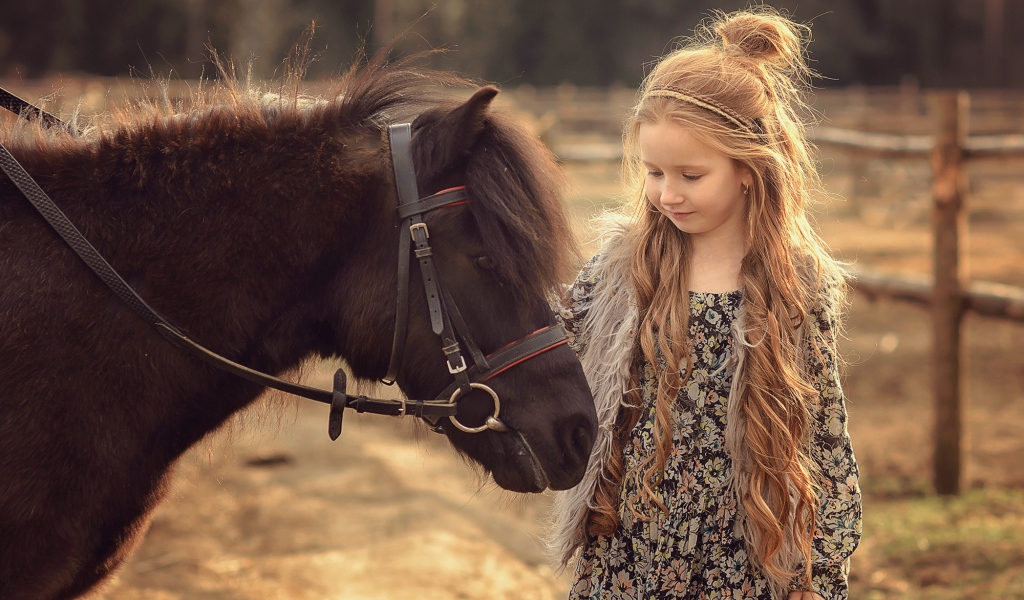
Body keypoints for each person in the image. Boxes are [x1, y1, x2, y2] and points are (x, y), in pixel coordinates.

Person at [547, 8, 862, 600]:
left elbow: (824, 432)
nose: (668, 194)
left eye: (690, 175)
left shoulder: (796, 284)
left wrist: (819, 573)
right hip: (629, 550)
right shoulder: (625, 267)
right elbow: (548, 337)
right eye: (654, 172)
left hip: (745, 557)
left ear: (748, 169)